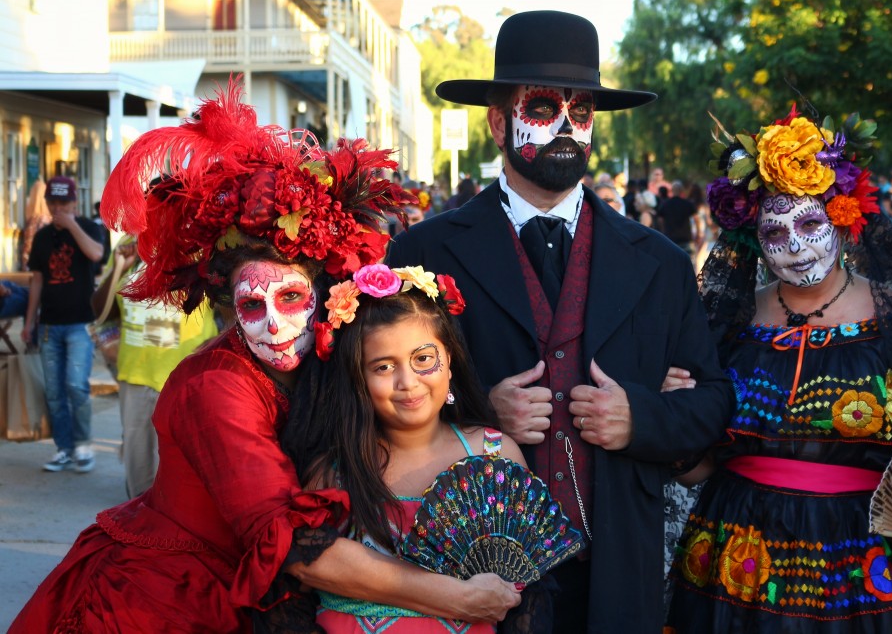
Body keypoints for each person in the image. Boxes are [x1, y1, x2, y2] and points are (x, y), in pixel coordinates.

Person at [10, 83, 520, 633]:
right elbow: (300, 549)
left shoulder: (328, 352)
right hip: (163, 601)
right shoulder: (215, 388)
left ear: (323, 292)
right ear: (229, 306)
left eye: (292, 298)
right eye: (252, 305)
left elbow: (404, 405)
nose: (275, 324)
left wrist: (481, 414)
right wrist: (456, 599)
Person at [388, 10, 734, 634]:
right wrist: (479, 411)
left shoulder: (660, 263)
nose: (567, 129)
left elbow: (712, 402)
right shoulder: (424, 254)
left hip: (618, 561)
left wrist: (640, 417)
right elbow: (374, 394)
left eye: (583, 113)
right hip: (472, 570)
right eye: (544, 108)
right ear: (499, 122)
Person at [665, 106, 892, 632]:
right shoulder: (724, 325)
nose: (796, 245)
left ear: (844, 216)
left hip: (870, 574)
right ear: (752, 238)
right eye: (775, 231)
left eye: (810, 222)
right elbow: (697, 466)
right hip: (733, 568)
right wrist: (674, 419)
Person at [283, 263, 532, 633]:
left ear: (449, 361)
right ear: (358, 381)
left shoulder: (495, 456)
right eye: (383, 367)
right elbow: (305, 576)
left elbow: (521, 578)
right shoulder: (335, 471)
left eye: (423, 359)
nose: (408, 382)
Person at [91, 234, 220, 498]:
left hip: (185, 377)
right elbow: (100, 309)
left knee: (181, 474)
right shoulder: (129, 245)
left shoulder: (199, 243)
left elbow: (230, 310)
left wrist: (214, 346)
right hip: (135, 376)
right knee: (138, 470)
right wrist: (119, 267)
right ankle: (141, 530)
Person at [22, 175, 105, 473]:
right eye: (53, 203)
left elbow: (97, 254)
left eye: (64, 203)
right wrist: (29, 322)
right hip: (49, 325)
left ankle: (83, 447)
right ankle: (64, 449)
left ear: (75, 202)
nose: (58, 208)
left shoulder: (90, 227)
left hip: (80, 323)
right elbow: (36, 281)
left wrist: (71, 224)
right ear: (47, 203)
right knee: (55, 391)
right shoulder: (43, 237)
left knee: (76, 386)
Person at [655, 180, 697, 254]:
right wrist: (698, 233)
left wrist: (663, 231)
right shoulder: (687, 204)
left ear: (672, 191)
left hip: (670, 239)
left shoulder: (665, 204)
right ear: (681, 190)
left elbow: (660, 220)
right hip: (685, 238)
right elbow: (696, 218)